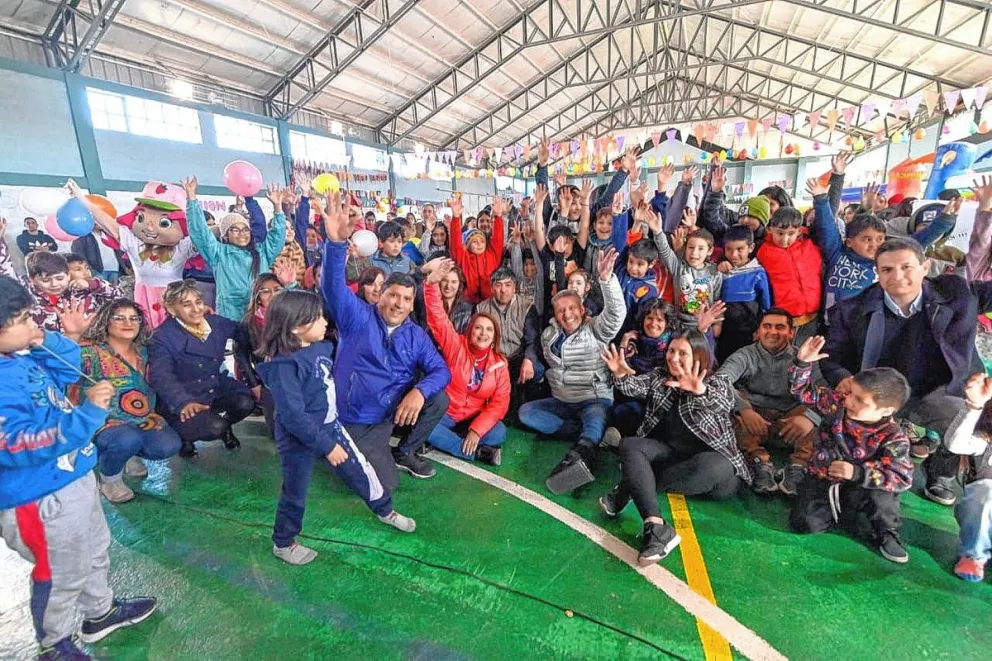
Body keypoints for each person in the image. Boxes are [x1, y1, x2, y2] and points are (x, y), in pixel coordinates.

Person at [0, 276, 157, 660]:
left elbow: (68, 371)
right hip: (37, 498)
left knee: (93, 549)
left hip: (72, 478)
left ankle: (99, 612)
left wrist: (53, 338)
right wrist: (87, 416)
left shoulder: (19, 355)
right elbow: (17, 445)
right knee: (60, 572)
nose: (33, 323)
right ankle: (53, 644)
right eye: (23, 319)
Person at [822, 236, 992, 506]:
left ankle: (941, 474)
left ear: (925, 268)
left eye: (907, 267)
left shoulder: (957, 293)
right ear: (877, 273)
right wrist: (842, 377)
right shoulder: (851, 310)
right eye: (887, 269)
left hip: (939, 389)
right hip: (880, 393)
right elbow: (832, 356)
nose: (898, 276)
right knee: (835, 426)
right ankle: (867, 482)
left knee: (965, 420)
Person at [256, 290, 415, 566]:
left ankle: (384, 510)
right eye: (316, 318)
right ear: (296, 328)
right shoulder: (283, 367)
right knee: (295, 490)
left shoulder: (320, 345)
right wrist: (327, 446)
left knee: (361, 469)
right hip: (299, 439)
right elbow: (293, 416)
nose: (324, 322)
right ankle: (284, 542)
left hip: (331, 426)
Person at [319, 192, 450, 489]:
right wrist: (336, 244)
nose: (398, 304)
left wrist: (418, 392)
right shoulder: (357, 317)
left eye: (406, 299)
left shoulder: (415, 335)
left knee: (438, 397)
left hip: (389, 410)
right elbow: (332, 287)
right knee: (380, 484)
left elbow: (441, 371)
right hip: (356, 415)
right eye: (392, 295)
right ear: (381, 296)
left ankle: (404, 451)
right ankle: (337, 446)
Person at [598, 332, 753, 565]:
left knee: (713, 466)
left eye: (683, 353)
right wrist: (620, 373)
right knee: (630, 444)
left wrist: (698, 391)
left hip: (711, 470)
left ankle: (630, 486)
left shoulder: (715, 382)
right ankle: (657, 527)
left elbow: (722, 402)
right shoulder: (659, 377)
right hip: (670, 457)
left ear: (698, 356)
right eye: (671, 351)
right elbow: (633, 386)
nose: (674, 357)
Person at [788, 336, 914, 563]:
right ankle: (832, 509)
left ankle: (886, 531)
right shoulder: (837, 403)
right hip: (824, 479)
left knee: (882, 497)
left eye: (859, 400)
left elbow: (901, 478)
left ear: (886, 410)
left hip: (862, 487)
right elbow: (802, 392)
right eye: (850, 394)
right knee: (804, 523)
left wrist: (857, 473)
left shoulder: (894, 437)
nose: (848, 401)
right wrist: (802, 363)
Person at [518, 248, 626, 495]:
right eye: (560, 310)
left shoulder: (597, 330)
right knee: (527, 413)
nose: (567, 314)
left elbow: (616, 314)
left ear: (583, 310)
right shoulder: (549, 335)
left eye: (572, 308)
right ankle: (595, 436)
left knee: (595, 419)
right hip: (562, 401)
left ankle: (579, 457)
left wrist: (607, 279)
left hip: (593, 398)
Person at [71, 299, 182, 503]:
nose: (128, 323)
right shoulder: (91, 352)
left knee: (169, 445)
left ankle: (128, 455)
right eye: (119, 318)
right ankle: (110, 479)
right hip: (104, 422)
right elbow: (65, 370)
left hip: (143, 418)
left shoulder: (146, 351)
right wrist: (72, 336)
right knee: (126, 440)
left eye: (134, 318)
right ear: (106, 322)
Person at [148, 279, 259, 457]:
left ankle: (224, 427)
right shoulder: (162, 337)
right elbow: (161, 377)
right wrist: (182, 402)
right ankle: (186, 437)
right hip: (184, 396)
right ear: (170, 309)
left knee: (246, 402)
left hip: (214, 387)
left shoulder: (214, 323)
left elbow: (243, 332)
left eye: (198, 302)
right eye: (186, 305)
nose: (196, 309)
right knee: (215, 426)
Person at [716, 308, 818, 495]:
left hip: (790, 424)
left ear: (791, 333)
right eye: (767, 326)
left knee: (819, 421)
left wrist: (809, 419)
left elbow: (825, 393)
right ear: (759, 331)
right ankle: (760, 464)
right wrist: (744, 410)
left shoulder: (805, 356)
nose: (772, 332)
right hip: (755, 421)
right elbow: (719, 381)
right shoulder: (744, 355)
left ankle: (798, 468)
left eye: (780, 327)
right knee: (726, 415)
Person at [423, 259, 510, 464]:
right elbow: (438, 317)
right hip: (446, 413)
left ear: (495, 336)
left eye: (489, 330)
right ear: (470, 331)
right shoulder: (456, 345)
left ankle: (452, 443)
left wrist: (477, 431)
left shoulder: (499, 363)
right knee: (423, 425)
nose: (483, 333)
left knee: (499, 431)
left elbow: (500, 403)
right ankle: (476, 452)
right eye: (478, 328)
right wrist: (431, 285)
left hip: (473, 418)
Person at [185, 177, 291, 321]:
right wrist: (191, 199)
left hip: (262, 317)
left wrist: (278, 207)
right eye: (234, 229)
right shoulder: (218, 253)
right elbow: (200, 233)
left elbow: (277, 236)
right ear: (226, 235)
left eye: (245, 229)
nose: (242, 234)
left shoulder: (261, 252)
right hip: (230, 317)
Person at [939, 373, 992, 581]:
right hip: (984, 518)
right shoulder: (983, 443)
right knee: (986, 491)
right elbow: (955, 444)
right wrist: (973, 406)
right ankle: (973, 555)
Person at [475, 267, 544, 417]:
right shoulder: (482, 308)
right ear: (492, 287)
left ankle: (525, 399)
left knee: (537, 369)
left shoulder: (527, 306)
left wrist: (528, 360)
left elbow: (533, 340)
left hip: (518, 358)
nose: (503, 290)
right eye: (498, 285)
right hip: (495, 360)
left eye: (508, 285)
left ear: (515, 287)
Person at [757, 207, 823, 345]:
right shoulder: (763, 252)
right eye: (780, 233)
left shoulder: (809, 245)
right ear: (770, 229)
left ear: (799, 231)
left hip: (813, 315)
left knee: (807, 355)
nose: (784, 239)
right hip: (783, 318)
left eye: (791, 233)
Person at [23, 251, 120, 340]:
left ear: (68, 275)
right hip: (50, 353)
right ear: (32, 279)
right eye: (46, 280)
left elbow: (118, 296)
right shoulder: (27, 298)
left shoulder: (84, 292)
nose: (54, 284)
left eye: (60, 278)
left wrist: (92, 284)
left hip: (89, 348)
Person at [715, 225, 771, 362]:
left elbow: (766, 306)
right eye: (729, 249)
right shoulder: (721, 270)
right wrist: (717, 269)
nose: (734, 255)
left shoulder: (758, 272)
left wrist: (761, 330)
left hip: (749, 332)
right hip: (724, 332)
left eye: (740, 249)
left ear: (750, 248)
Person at [449, 194, 506, 304]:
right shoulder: (463, 258)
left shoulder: (492, 255)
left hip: (491, 302)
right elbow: (455, 243)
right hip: (467, 304)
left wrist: (498, 216)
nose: (479, 244)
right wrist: (456, 218)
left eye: (482, 241)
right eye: (475, 241)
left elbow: (498, 238)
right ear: (467, 245)